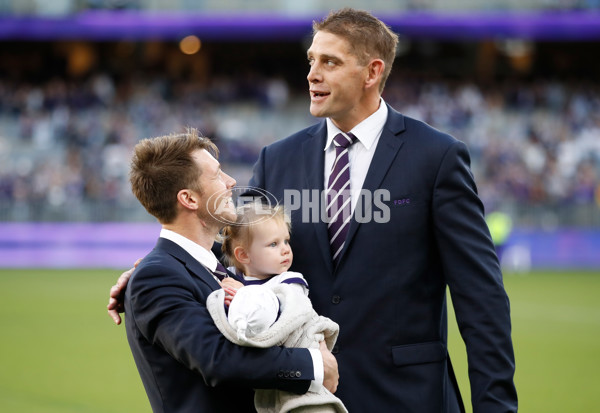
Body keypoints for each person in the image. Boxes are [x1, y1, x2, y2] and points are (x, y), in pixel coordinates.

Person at [109, 8, 517, 412]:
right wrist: (152, 269)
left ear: (372, 72)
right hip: (307, 402)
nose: (312, 74)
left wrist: (495, 407)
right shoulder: (277, 160)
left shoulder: (436, 157)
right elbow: (240, 251)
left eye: (330, 62)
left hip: (410, 396)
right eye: (311, 61)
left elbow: (481, 298)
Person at [119, 129, 338, 412]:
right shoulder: (156, 277)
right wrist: (313, 365)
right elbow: (217, 360)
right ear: (189, 199)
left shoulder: (217, 268)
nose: (231, 182)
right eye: (217, 175)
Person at [206, 202, 347, 412]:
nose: (285, 250)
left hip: (301, 386)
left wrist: (243, 294)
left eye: (286, 241)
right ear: (243, 255)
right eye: (273, 244)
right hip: (259, 383)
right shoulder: (229, 279)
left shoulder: (290, 283)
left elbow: (275, 320)